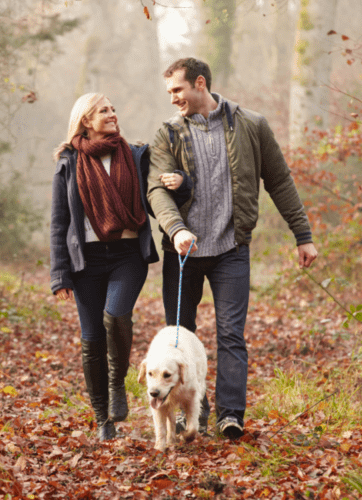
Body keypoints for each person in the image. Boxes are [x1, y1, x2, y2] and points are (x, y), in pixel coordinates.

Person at [147, 58, 318, 440]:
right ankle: (185, 415)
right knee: (179, 337)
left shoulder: (251, 125)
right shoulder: (167, 135)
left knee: (231, 336)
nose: (173, 99)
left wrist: (302, 234)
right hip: (183, 253)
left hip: (231, 250)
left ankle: (230, 415)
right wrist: (175, 230)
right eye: (169, 92)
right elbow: (156, 190)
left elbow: (280, 181)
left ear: (200, 84)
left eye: (178, 90)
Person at [50, 93, 192, 441]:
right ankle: (103, 420)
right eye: (104, 111)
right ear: (86, 120)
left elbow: (160, 193)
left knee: (115, 315)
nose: (112, 115)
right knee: (92, 340)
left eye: (113, 109)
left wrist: (181, 183)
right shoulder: (69, 162)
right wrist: (60, 273)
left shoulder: (135, 155)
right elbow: (59, 222)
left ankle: (118, 382)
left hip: (127, 255)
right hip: (87, 261)